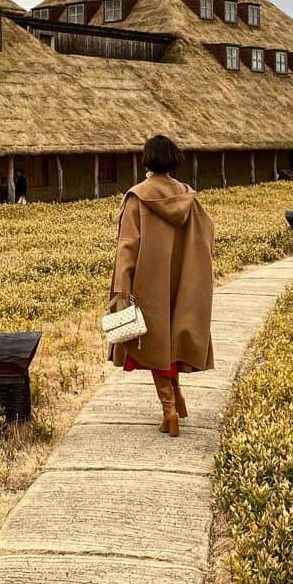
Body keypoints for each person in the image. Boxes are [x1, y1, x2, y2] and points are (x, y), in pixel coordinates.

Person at [109, 134, 214, 437]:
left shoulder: (137, 197)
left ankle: (169, 412)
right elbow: (207, 233)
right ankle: (178, 399)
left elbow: (127, 247)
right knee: (169, 343)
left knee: (153, 346)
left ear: (147, 160)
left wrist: (121, 289)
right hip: (181, 282)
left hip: (148, 285)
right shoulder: (187, 196)